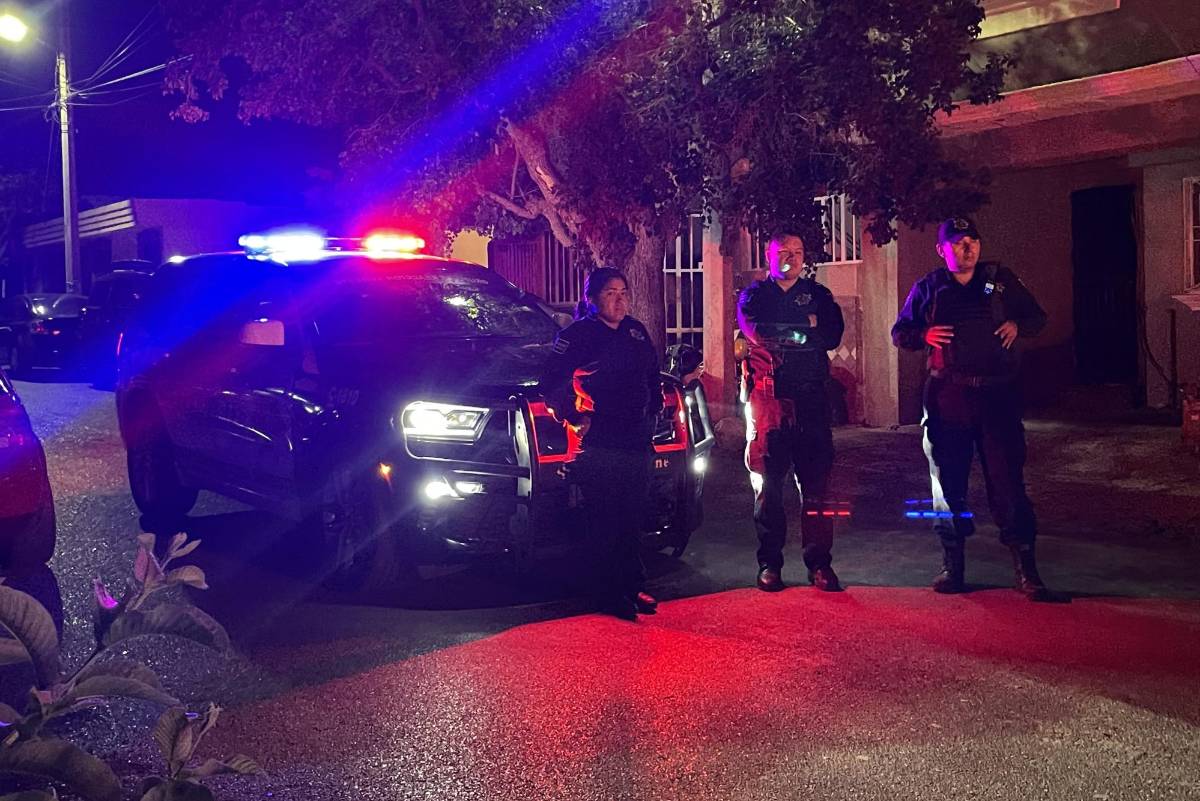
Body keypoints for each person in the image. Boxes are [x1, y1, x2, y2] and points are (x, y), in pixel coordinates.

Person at [892, 216, 1051, 599]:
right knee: (948, 484)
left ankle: (1026, 569)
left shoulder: (999, 281)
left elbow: (1037, 318)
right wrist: (924, 334)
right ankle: (953, 565)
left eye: (973, 241)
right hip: (948, 396)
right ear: (941, 250)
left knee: (1008, 481)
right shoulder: (929, 287)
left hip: (996, 396)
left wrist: (1017, 325)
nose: (968, 249)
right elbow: (900, 332)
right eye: (959, 243)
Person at [540, 268, 663, 620]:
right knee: (605, 518)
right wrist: (573, 418)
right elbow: (550, 383)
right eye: (610, 293)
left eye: (623, 292)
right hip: (600, 440)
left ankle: (632, 584)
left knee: (632, 516)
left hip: (636, 437)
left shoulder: (635, 331)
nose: (619, 300)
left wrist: (653, 412)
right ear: (591, 299)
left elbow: (651, 376)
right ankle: (608, 593)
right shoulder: (577, 336)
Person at [737, 232, 845, 592]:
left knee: (817, 488)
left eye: (798, 252)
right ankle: (770, 564)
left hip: (812, 402)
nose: (792, 258)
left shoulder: (819, 295)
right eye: (784, 252)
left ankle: (820, 564)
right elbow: (759, 333)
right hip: (769, 404)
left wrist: (791, 329)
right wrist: (806, 326)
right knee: (768, 487)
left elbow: (832, 335)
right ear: (769, 257)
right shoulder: (754, 296)